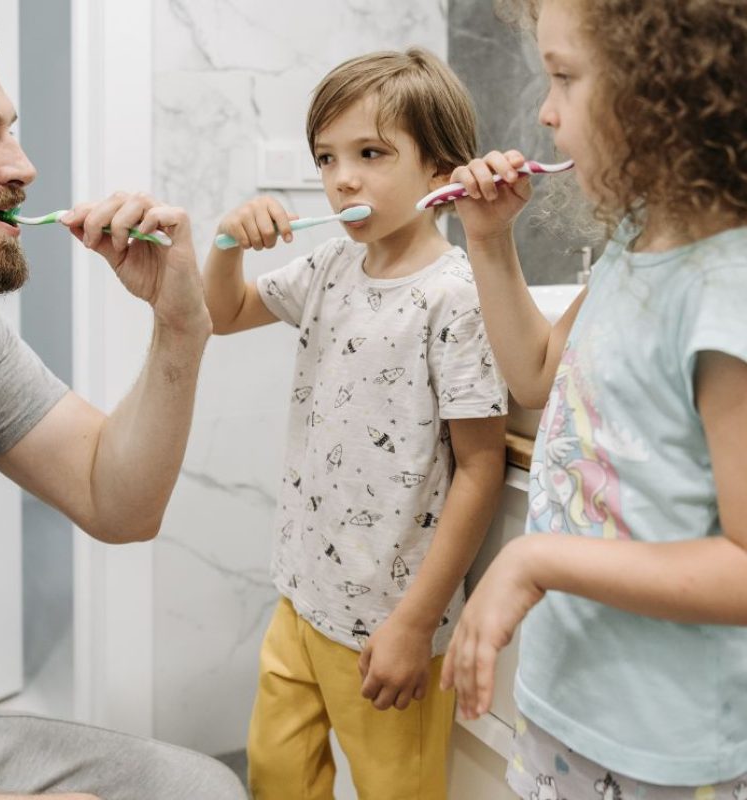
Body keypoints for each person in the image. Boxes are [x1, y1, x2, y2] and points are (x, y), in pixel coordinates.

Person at [441, 0, 747, 798]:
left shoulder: (726, 291)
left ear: (665, 89)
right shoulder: (637, 237)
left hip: (661, 745)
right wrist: (488, 240)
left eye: (566, 78)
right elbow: (538, 374)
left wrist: (538, 558)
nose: (544, 111)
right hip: (569, 704)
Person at [0, 3, 246, 798]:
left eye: (9, 130)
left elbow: (118, 502)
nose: (23, 165)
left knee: (201, 789)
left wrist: (181, 325)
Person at [204, 47, 508, 800]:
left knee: (393, 788)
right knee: (276, 772)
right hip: (302, 595)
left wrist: (414, 623)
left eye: (371, 154)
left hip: (388, 622)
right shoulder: (330, 268)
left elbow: (480, 468)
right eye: (327, 157)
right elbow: (222, 311)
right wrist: (224, 245)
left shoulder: (457, 298)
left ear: (440, 173)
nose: (342, 177)